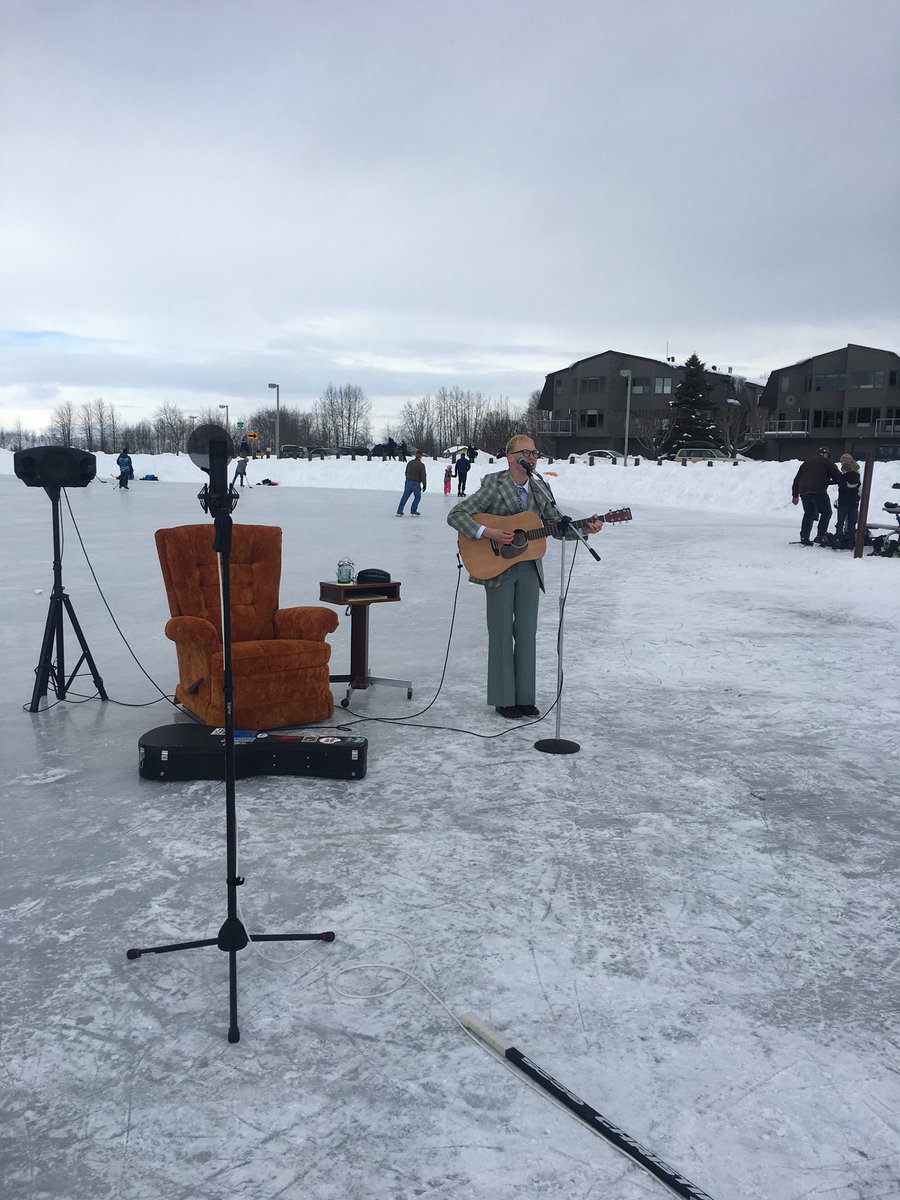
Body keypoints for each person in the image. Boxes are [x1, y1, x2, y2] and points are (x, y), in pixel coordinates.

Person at [447, 434, 603, 719]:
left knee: (527, 633)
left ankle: (525, 697)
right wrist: (489, 532)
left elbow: (555, 527)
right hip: (497, 568)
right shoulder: (495, 484)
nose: (531, 457)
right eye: (525, 452)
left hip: (530, 566)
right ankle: (504, 698)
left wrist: (584, 529)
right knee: (502, 632)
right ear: (510, 457)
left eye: (534, 453)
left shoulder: (541, 487)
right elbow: (457, 515)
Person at [791, 447, 841, 545]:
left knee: (808, 513)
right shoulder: (825, 462)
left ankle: (804, 537)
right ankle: (820, 536)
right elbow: (838, 476)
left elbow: (796, 479)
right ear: (826, 455)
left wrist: (795, 495)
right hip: (818, 489)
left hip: (803, 491)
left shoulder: (806, 463)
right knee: (826, 512)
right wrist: (831, 482)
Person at [835, 453, 861, 549]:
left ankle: (839, 541)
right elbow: (858, 487)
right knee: (852, 523)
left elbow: (842, 488)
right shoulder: (857, 477)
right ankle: (851, 542)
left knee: (840, 522)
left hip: (844, 503)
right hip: (854, 503)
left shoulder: (843, 478)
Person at [396, 450, 427, 516]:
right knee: (417, 497)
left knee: (405, 497)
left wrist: (408, 478)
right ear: (421, 456)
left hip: (408, 482)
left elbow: (406, 472)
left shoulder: (410, 463)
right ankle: (413, 510)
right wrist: (424, 484)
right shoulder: (421, 465)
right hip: (416, 483)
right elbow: (423, 476)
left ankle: (399, 511)